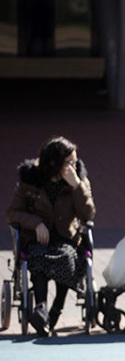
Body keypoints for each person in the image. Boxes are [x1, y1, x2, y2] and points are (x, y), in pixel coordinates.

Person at [6, 136, 96, 337]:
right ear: (53, 163)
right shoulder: (31, 181)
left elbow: (88, 214)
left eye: (75, 161)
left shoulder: (78, 179)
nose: (73, 166)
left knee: (66, 258)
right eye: (68, 162)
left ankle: (56, 309)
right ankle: (41, 308)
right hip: (37, 237)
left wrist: (77, 187)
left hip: (66, 238)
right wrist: (35, 223)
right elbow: (12, 212)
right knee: (38, 256)